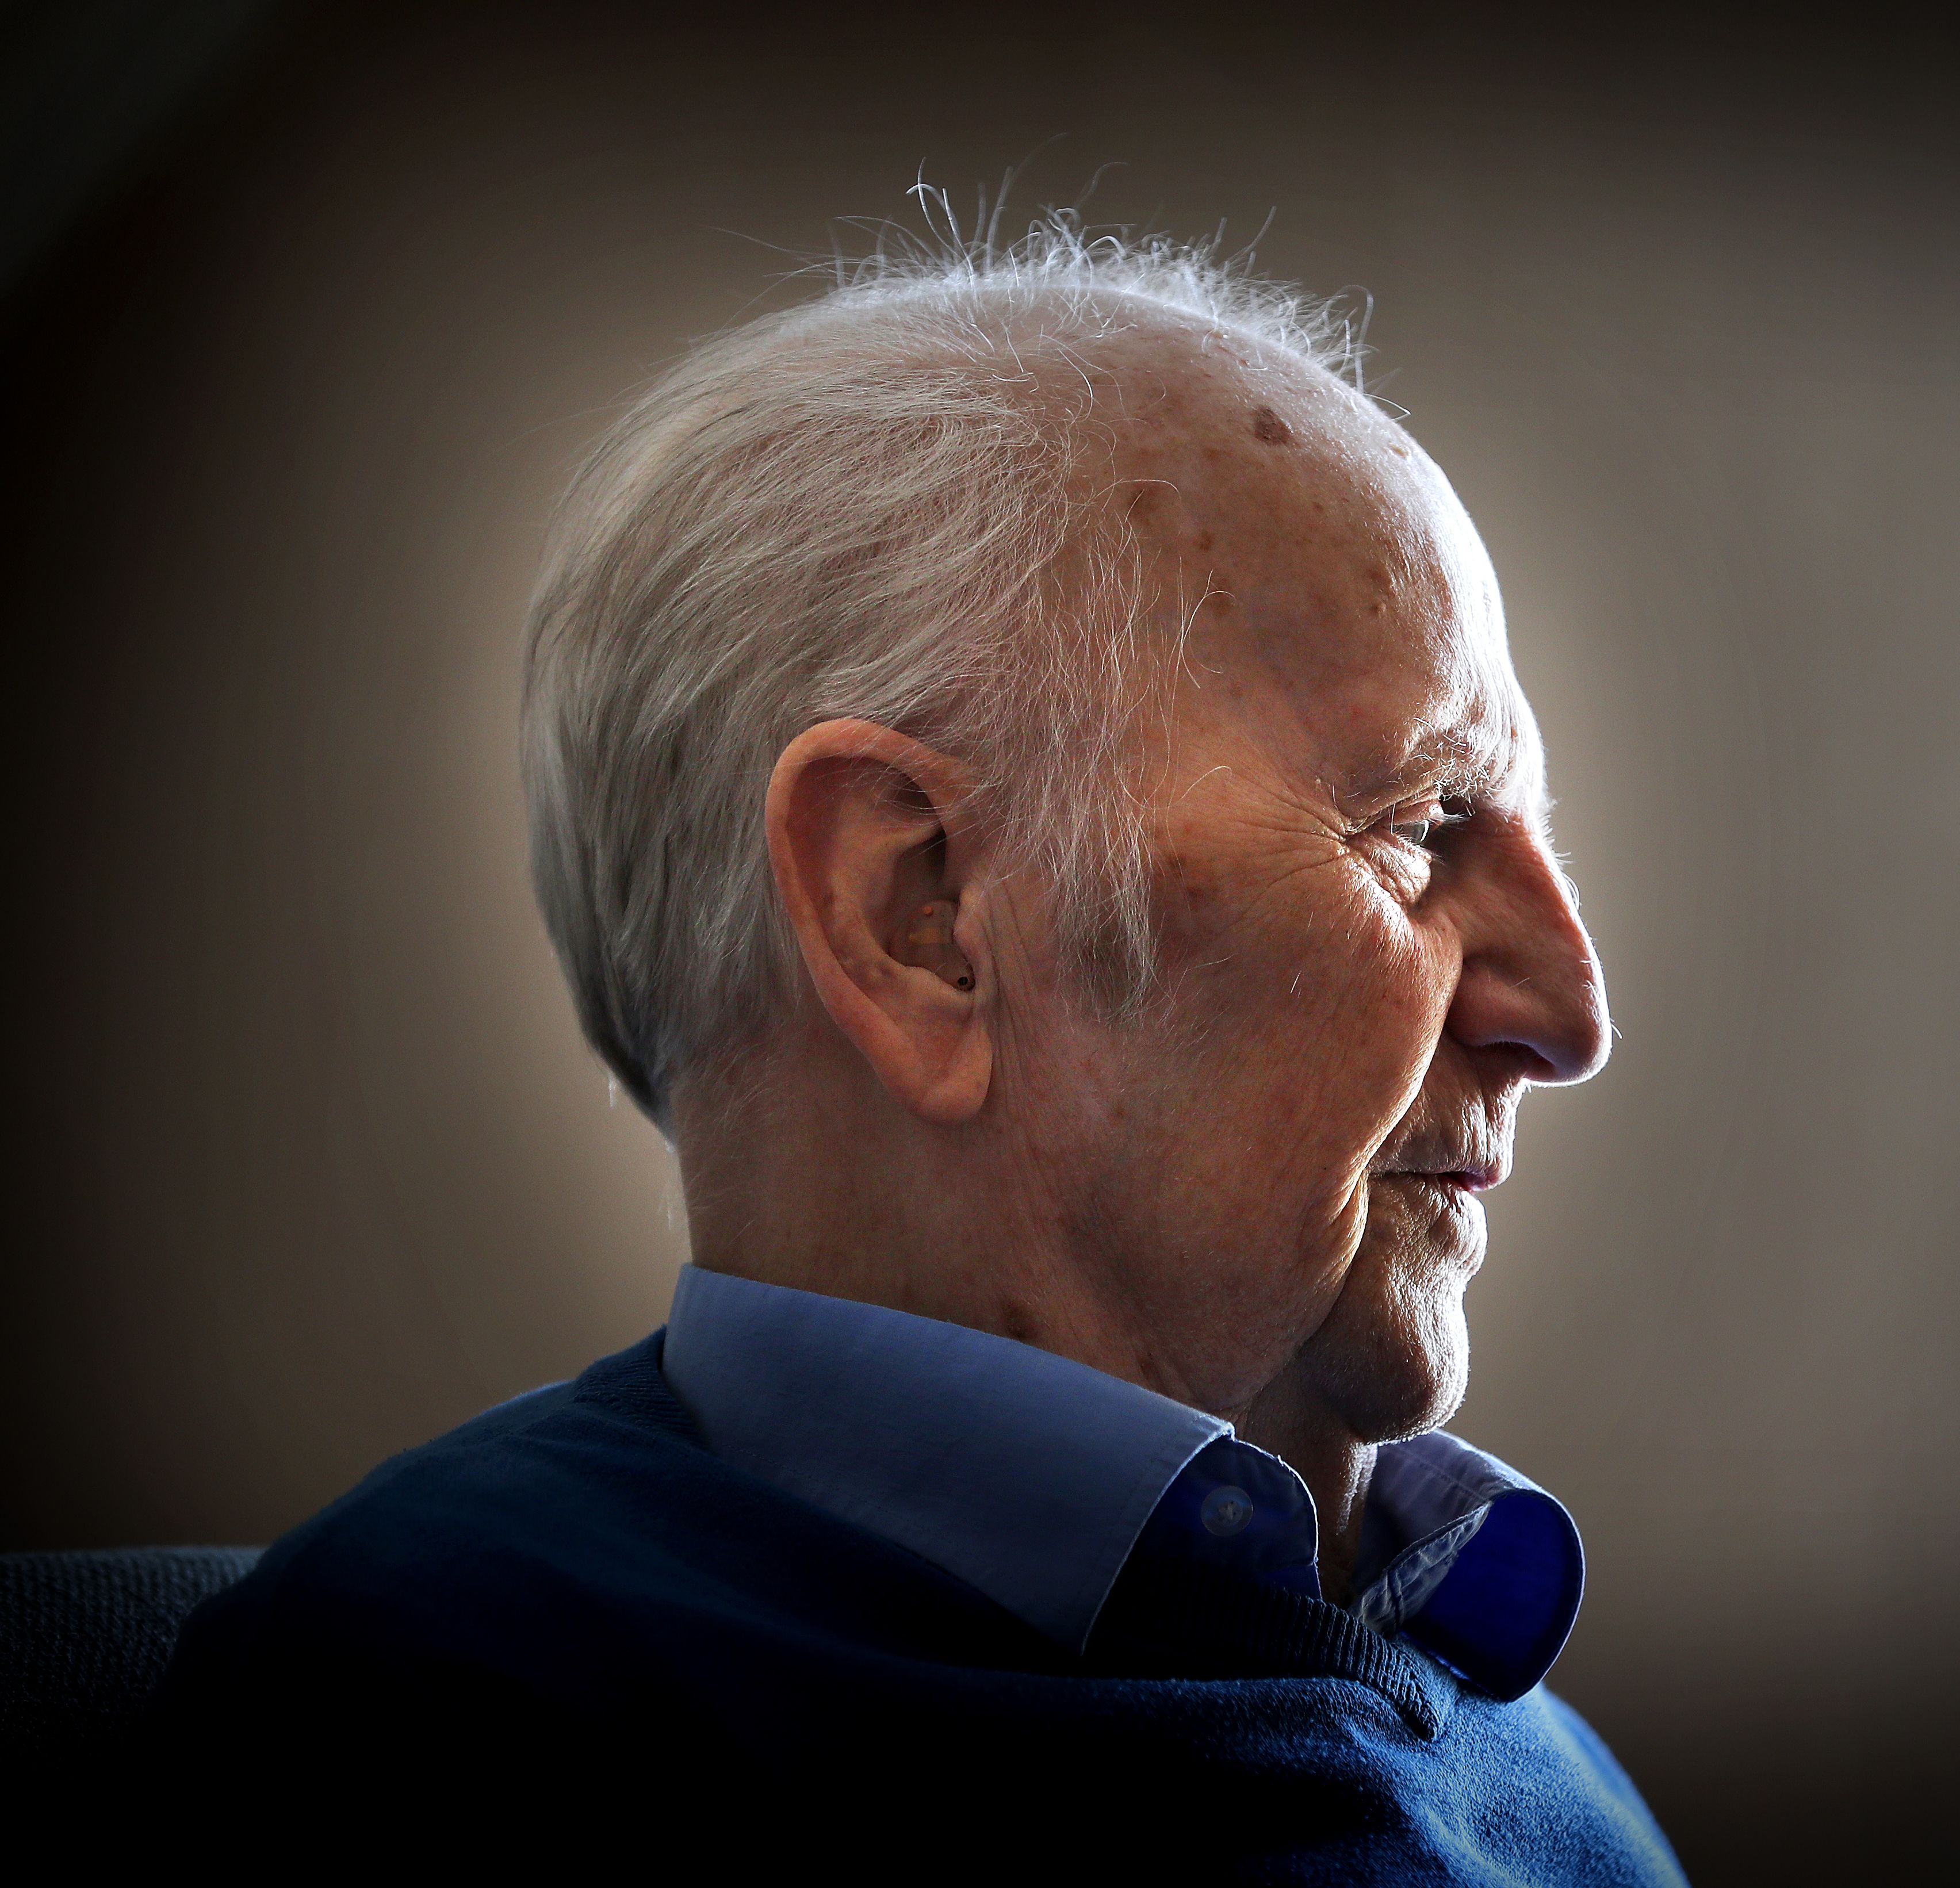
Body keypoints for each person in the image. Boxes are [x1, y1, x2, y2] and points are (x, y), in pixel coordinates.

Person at [157, 219, 1680, 1880]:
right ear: (922, 915)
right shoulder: (447, 1709)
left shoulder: (1555, 1758)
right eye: (1421, 826)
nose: (1569, 1016)